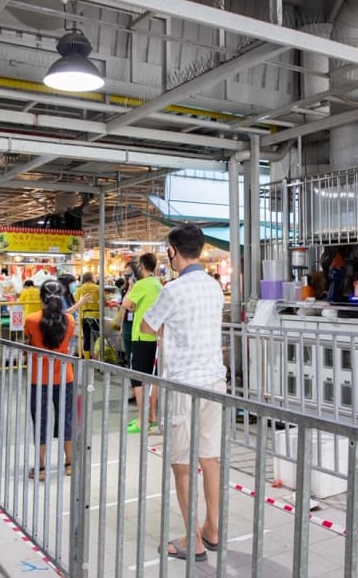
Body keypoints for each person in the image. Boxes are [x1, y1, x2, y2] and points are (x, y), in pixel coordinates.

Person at [142, 224, 225, 563]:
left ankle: (194, 541)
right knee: (210, 457)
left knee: (182, 463)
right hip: (216, 383)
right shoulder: (214, 287)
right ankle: (212, 529)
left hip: (185, 385)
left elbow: (148, 326)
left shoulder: (173, 290)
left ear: (173, 251)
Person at [23, 280, 76, 481]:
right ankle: (69, 462)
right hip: (65, 375)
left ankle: (41, 466)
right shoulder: (69, 320)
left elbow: (28, 341)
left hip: (39, 377)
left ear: (41, 297)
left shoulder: (31, 320)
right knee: (67, 417)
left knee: (41, 419)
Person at [122, 253, 162, 433]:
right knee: (153, 379)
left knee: (138, 380)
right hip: (156, 337)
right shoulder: (158, 284)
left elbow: (126, 303)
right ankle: (152, 417)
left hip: (141, 337)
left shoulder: (141, 284)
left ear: (142, 266)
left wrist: (130, 287)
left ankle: (142, 420)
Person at [73, 272, 100, 359]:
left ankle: (87, 359)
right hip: (95, 316)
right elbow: (104, 301)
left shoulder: (79, 289)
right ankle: (97, 358)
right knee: (97, 338)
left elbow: (77, 303)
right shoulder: (98, 288)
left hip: (84, 316)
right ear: (91, 278)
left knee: (86, 337)